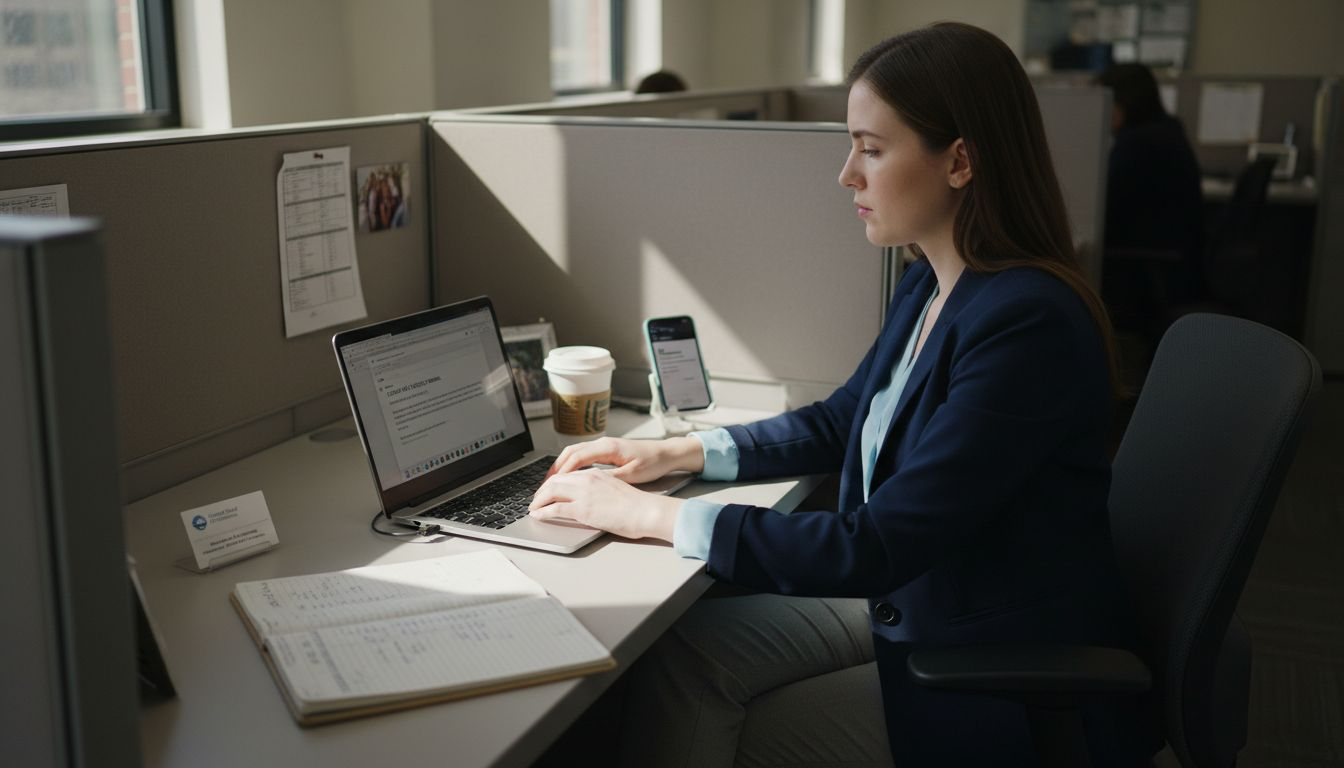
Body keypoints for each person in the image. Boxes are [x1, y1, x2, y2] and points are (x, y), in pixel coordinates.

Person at [529, 23, 1154, 767]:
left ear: (960, 160)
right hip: (933, 593)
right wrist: (672, 452)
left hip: (991, 661)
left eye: (872, 147)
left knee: (743, 735)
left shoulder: (1027, 325)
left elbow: (874, 546)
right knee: (688, 657)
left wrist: (652, 515)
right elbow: (842, 419)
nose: (846, 174)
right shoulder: (934, 277)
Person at [1096, 63, 1205, 333]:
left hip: (1152, 266)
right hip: (1174, 254)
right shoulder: (1164, 131)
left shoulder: (1138, 145)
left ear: (1120, 105)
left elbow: (1104, 208)